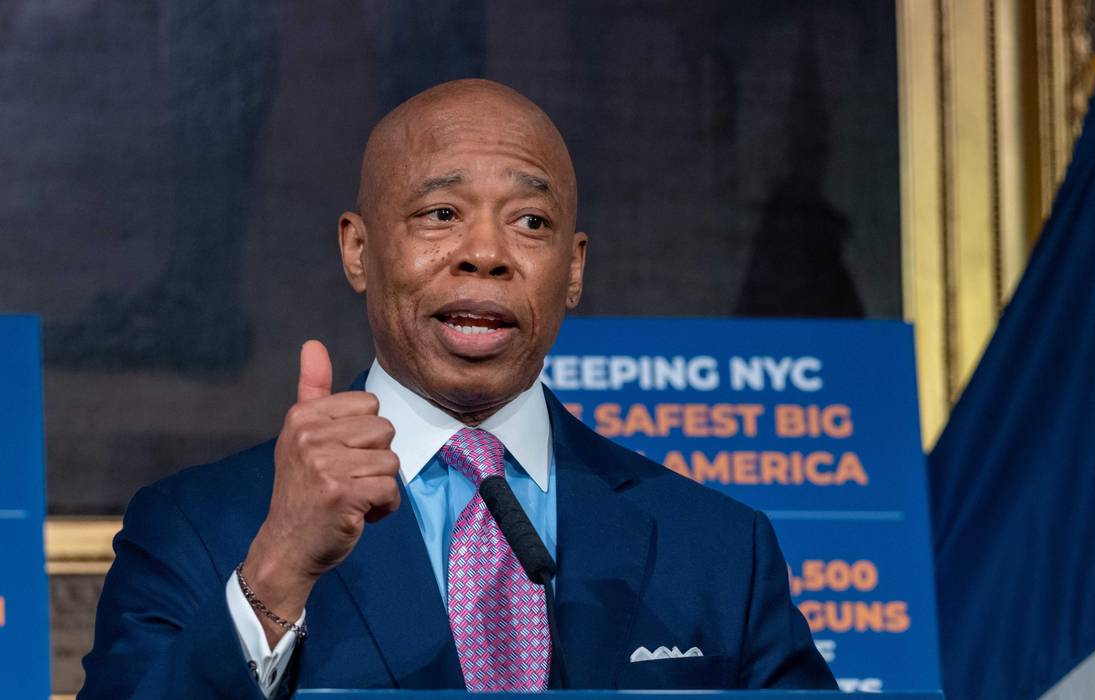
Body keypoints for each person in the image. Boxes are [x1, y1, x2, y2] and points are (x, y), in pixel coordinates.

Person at [79, 79, 836, 698]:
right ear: (357, 248)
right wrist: (278, 571)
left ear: (572, 269)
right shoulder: (200, 526)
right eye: (440, 214)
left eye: (530, 222)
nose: (485, 253)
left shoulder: (716, 549)